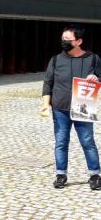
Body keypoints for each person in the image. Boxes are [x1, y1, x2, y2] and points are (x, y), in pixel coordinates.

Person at [41, 24, 101, 190]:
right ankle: (61, 174)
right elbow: (48, 83)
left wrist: (96, 78)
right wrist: (45, 104)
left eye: (68, 39)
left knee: (88, 141)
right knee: (61, 142)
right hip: (60, 108)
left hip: (83, 107)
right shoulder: (56, 60)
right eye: (63, 38)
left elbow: (100, 78)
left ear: (79, 41)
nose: (64, 41)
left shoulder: (93, 59)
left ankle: (95, 175)